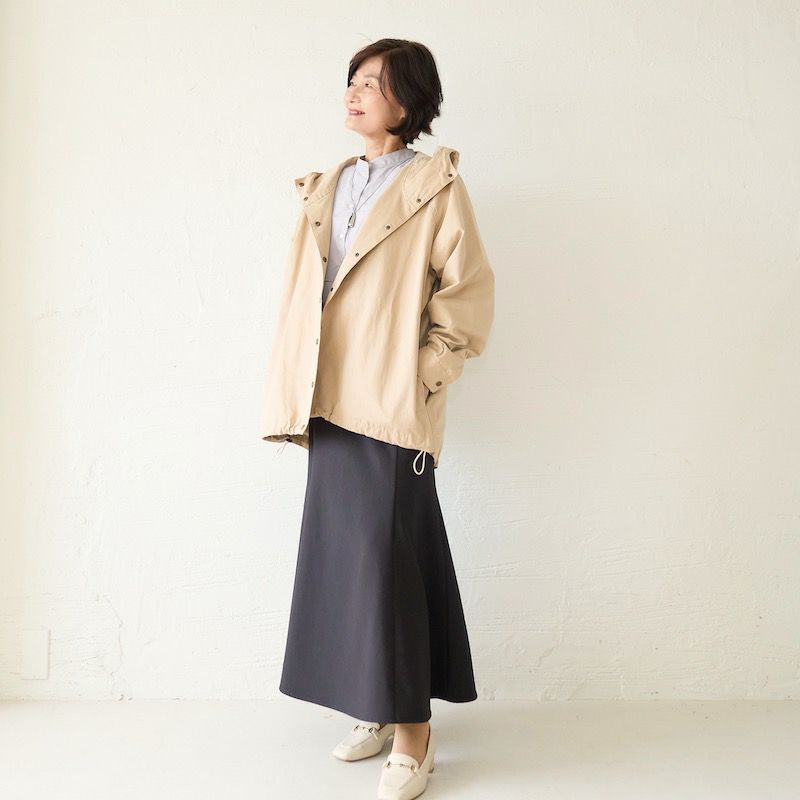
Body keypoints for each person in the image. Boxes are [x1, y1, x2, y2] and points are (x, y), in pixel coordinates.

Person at [260, 38, 495, 800]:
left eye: (372, 83)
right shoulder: (327, 184)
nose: (354, 93)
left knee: (391, 561)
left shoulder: (434, 185)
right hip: (328, 393)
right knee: (347, 559)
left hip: (390, 403)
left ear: (407, 100)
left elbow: (466, 293)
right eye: (352, 80)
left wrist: (425, 371)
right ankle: (377, 704)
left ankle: (414, 732)